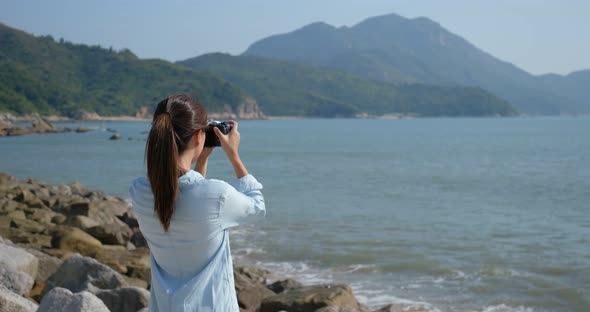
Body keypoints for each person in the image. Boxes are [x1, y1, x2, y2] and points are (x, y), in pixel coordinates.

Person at [127, 94, 266, 311]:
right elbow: (257, 208)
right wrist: (234, 156)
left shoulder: (139, 191)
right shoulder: (217, 195)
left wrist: (201, 160)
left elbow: (184, 194)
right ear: (199, 137)